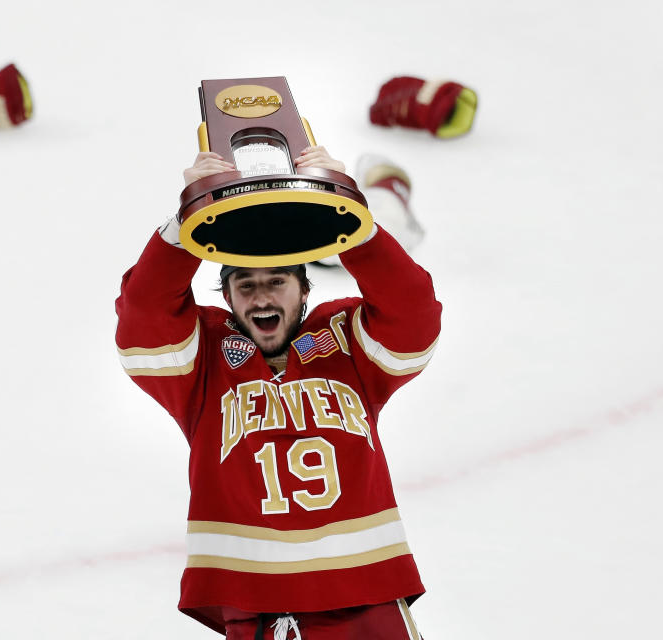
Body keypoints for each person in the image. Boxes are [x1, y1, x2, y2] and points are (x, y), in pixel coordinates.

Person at [115, 147, 442, 639]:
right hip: (257, 607)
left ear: (305, 290)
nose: (262, 296)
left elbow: (413, 313)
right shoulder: (203, 362)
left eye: (277, 282)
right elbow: (143, 319)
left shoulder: (348, 340)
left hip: (366, 599)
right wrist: (183, 225)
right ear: (225, 298)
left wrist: (348, 216)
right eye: (244, 285)